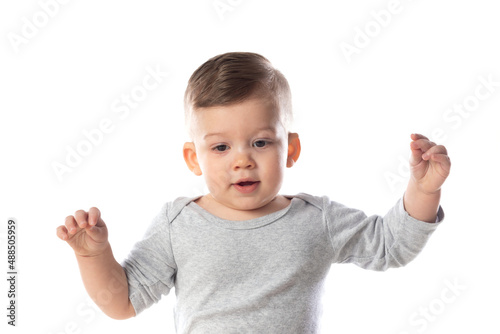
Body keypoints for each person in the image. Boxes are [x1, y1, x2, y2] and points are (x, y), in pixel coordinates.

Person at [56, 52, 451, 333]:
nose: (242, 161)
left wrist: (423, 188)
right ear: (194, 159)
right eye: (221, 147)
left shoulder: (317, 220)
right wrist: (93, 255)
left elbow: (390, 246)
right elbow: (123, 303)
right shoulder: (178, 225)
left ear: (290, 149)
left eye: (260, 143)